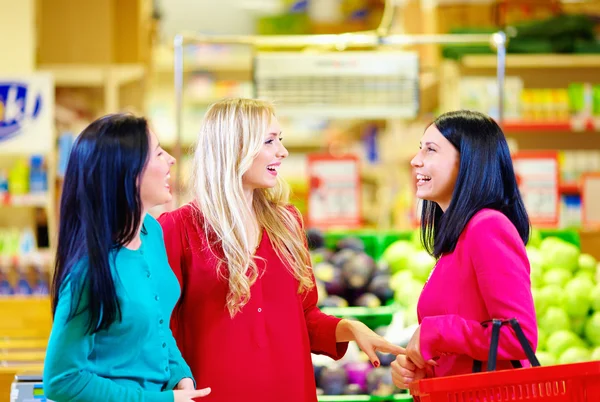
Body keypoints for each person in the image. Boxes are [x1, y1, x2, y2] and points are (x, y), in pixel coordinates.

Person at [158, 98, 405, 402]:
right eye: (269, 141)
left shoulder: (286, 223)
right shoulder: (178, 228)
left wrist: (350, 328)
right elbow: (158, 328)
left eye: (281, 140)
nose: (282, 152)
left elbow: (304, 317)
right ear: (234, 146)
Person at [43, 114, 211, 402]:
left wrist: (179, 374)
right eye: (158, 153)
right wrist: (161, 400)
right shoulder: (89, 270)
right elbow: (62, 380)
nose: (171, 159)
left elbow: (157, 325)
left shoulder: (152, 232)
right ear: (128, 173)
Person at [391, 110, 538, 388]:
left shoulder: (488, 226)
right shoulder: (458, 236)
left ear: (468, 162)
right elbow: (467, 350)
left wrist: (437, 332)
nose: (416, 160)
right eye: (419, 149)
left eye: (430, 150)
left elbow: (520, 337)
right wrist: (422, 371)